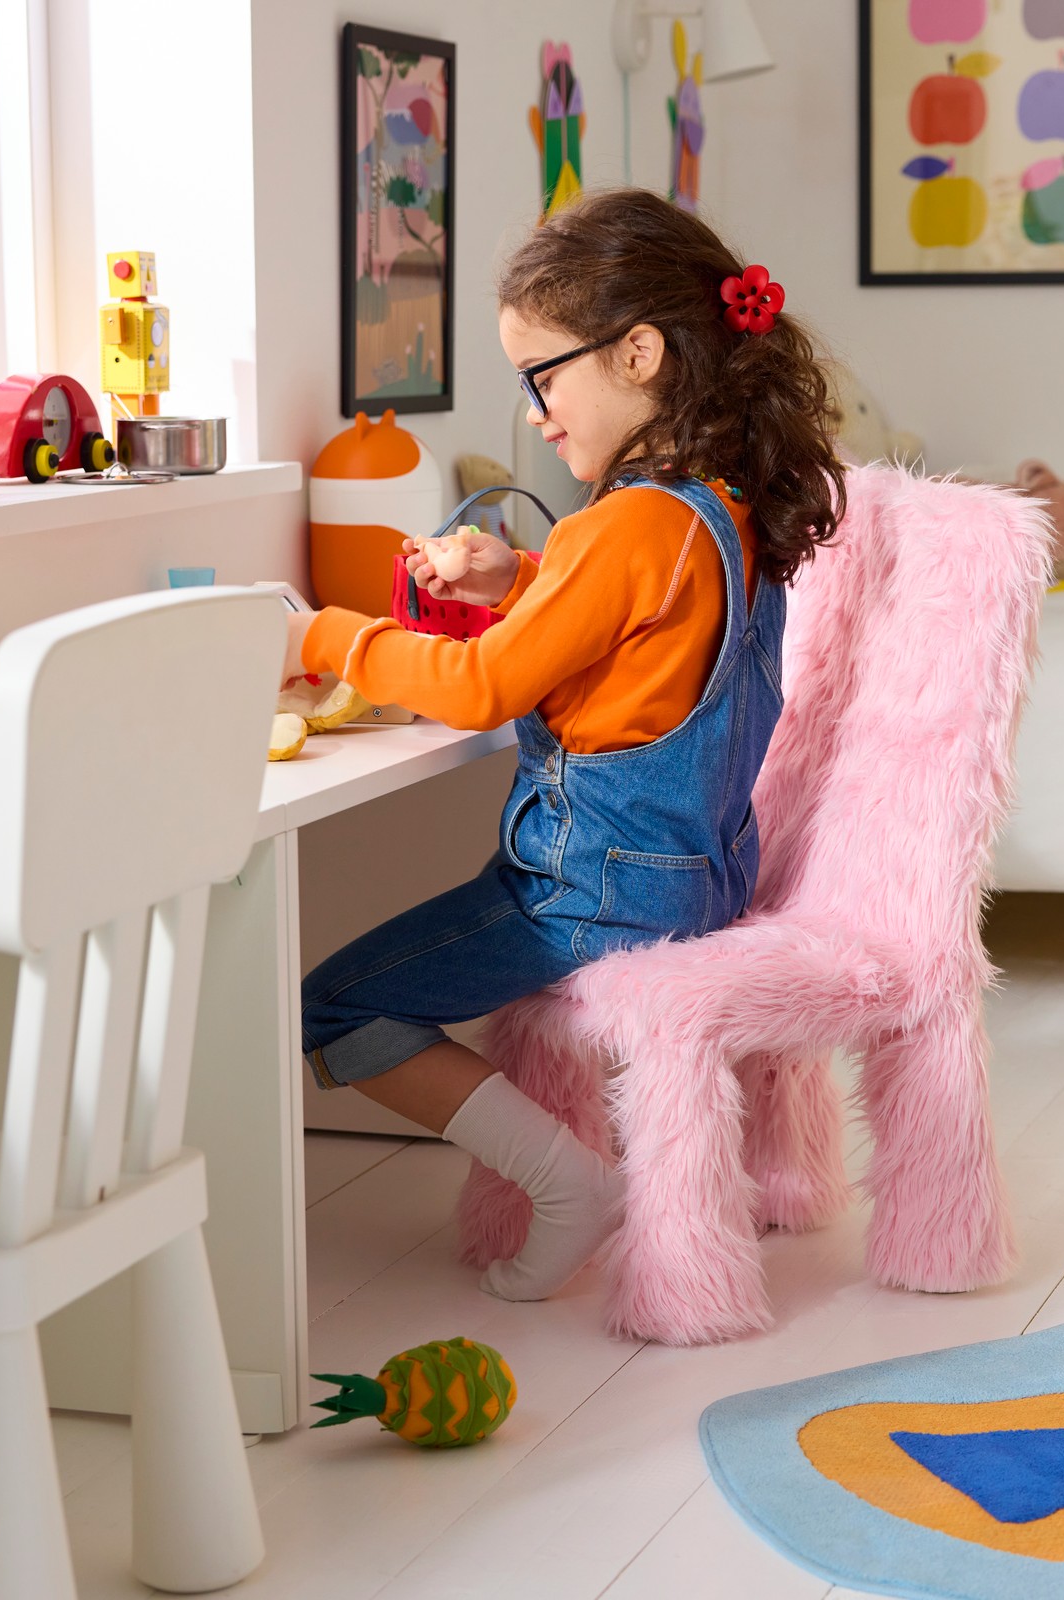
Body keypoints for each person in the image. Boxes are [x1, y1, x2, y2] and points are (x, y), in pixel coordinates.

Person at [285, 188, 845, 1304]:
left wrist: (324, 634)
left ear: (637, 353)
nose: (538, 411)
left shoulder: (622, 522)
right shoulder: (713, 507)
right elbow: (650, 647)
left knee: (333, 1003)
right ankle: (574, 1179)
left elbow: (479, 685)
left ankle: (566, 1183)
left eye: (545, 374)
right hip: (697, 872)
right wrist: (522, 579)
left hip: (591, 892)